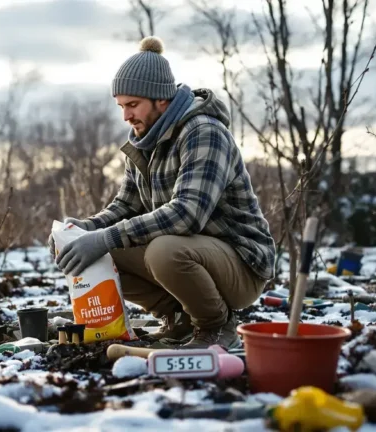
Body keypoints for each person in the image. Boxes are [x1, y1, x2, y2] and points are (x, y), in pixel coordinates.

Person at [49, 36, 276, 349]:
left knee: (163, 250)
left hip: (241, 264)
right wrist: (84, 231)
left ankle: (215, 326)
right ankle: (179, 319)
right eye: (121, 106)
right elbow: (124, 207)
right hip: (191, 255)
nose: (126, 116)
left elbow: (187, 215)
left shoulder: (204, 132)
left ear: (162, 100)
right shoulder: (144, 140)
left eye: (133, 105)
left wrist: (104, 237)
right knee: (102, 251)